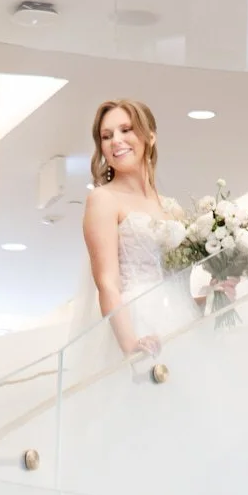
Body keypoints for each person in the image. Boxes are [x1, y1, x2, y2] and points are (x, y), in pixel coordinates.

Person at [82, 98, 183, 358]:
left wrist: (217, 292)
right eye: (106, 136)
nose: (116, 140)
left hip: (176, 327)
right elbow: (107, 283)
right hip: (133, 325)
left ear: (150, 136)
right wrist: (130, 346)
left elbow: (179, 289)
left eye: (126, 130)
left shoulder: (173, 210)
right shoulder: (103, 199)